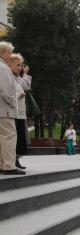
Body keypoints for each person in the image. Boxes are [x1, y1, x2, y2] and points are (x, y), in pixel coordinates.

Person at [0, 42, 25, 175]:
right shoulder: (4, 68)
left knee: (1, 138)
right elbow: (6, 91)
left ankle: (1, 164)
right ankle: (9, 166)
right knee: (9, 137)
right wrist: (13, 103)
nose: (10, 56)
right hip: (5, 110)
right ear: (3, 53)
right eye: (9, 52)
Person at [8, 54, 28, 169]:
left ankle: (16, 161)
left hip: (20, 113)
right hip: (12, 114)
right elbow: (6, 95)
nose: (20, 67)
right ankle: (10, 162)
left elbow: (26, 86)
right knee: (13, 139)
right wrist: (19, 95)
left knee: (19, 139)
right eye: (18, 65)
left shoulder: (16, 78)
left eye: (21, 65)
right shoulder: (8, 77)